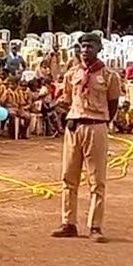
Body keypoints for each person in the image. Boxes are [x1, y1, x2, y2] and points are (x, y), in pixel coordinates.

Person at [52, 32, 122, 243]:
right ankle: (68, 222)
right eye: (82, 46)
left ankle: (95, 226)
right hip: (74, 127)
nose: (85, 50)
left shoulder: (109, 76)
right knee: (68, 177)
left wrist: (102, 121)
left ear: (99, 49)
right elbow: (67, 99)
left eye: (90, 46)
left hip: (96, 126)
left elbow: (113, 103)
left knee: (97, 180)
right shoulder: (72, 73)